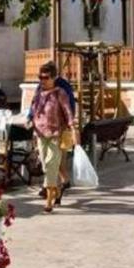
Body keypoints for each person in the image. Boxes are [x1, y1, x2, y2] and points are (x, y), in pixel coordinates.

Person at [29, 63, 77, 213]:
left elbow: (68, 112)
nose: (42, 80)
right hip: (40, 134)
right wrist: (30, 120)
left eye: (46, 77)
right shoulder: (38, 92)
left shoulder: (60, 93)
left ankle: (49, 200)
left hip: (56, 134)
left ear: (54, 77)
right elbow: (33, 109)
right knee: (45, 165)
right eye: (40, 77)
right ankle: (57, 188)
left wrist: (73, 127)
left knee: (51, 164)